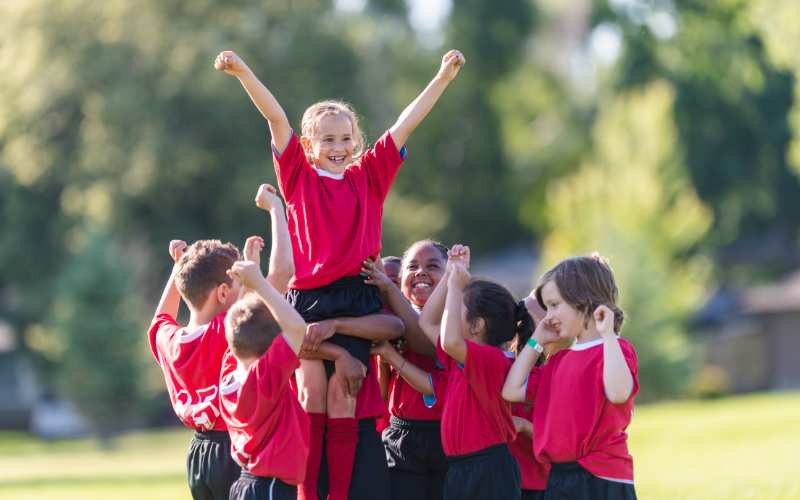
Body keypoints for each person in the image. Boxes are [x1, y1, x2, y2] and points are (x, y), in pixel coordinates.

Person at [215, 47, 464, 499]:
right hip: (309, 298)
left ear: (357, 141)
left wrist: (442, 78)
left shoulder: (369, 175)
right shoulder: (298, 178)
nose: (338, 147)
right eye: (327, 140)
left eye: (345, 138)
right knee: (310, 391)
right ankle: (308, 493)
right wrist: (243, 72)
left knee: (342, 398)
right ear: (309, 147)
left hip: (356, 294)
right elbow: (275, 119)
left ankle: (341, 490)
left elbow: (407, 122)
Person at [148, 184, 291, 499]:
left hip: (199, 454)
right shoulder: (227, 330)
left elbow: (160, 319)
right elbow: (281, 275)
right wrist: (277, 211)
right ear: (224, 293)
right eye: (240, 282)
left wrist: (178, 268)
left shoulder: (169, 340)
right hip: (235, 447)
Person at [502, 255, 638, 500]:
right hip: (560, 477)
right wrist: (537, 341)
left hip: (602, 478)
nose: (548, 315)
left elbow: (619, 393)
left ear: (583, 300)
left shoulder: (616, 348)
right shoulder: (559, 361)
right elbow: (512, 390)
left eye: (554, 305)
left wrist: (607, 335)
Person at [419, 245, 532, 500]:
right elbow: (428, 321)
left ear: (477, 326)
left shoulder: (494, 361)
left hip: (489, 468)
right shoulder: (460, 359)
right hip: (462, 468)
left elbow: (449, 340)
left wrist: (458, 288)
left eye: (457, 309)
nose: (451, 313)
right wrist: (450, 275)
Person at [362, 240, 450, 500]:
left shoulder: (457, 320)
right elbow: (381, 393)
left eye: (432, 265)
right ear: (402, 280)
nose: (421, 272)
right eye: (412, 266)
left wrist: (393, 356)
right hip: (402, 435)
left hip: (447, 436)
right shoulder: (390, 320)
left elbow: (430, 348)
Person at [221, 259, 310, 500]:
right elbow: (297, 328)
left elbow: (239, 325)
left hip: (245, 485)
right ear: (272, 347)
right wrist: (258, 282)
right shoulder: (263, 378)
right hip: (270, 489)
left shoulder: (227, 377)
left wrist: (246, 288)